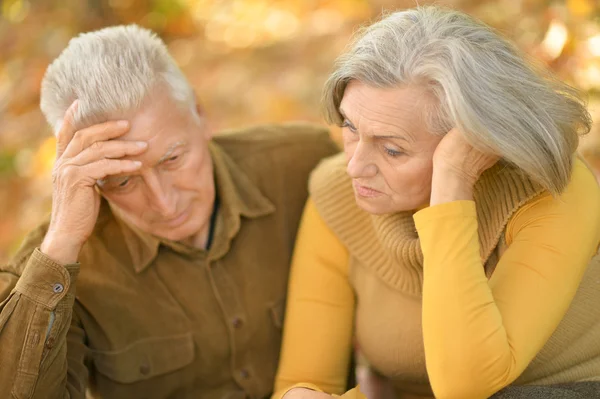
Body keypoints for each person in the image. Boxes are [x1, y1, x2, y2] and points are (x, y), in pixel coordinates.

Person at [273, 6, 600, 399]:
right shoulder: (338, 194)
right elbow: (305, 380)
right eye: (350, 127)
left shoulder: (553, 191)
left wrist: (452, 184)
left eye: (392, 150)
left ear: (476, 141)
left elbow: (467, 384)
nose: (355, 166)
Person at [0, 25, 339, 399]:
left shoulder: (305, 165)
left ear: (199, 112)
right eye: (123, 182)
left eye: (173, 159)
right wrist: (62, 242)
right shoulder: (49, 274)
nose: (164, 203)